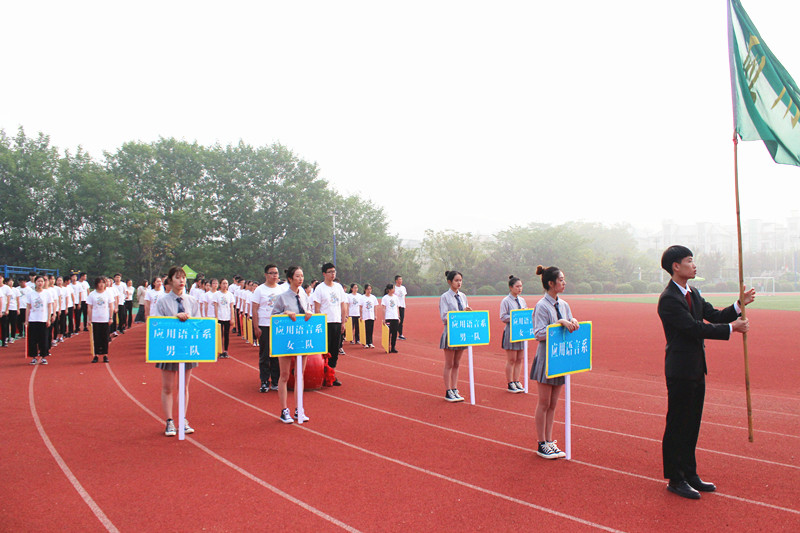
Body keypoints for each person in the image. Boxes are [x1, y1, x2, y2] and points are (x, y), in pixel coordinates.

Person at [657, 245, 754, 499]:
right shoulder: (669, 299)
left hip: (697, 368)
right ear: (676, 266)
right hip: (680, 370)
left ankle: (690, 473)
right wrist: (732, 329)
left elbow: (714, 315)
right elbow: (693, 328)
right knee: (678, 423)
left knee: (692, 424)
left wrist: (738, 305)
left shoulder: (694, 293)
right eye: (689, 261)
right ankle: (675, 478)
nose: (694, 265)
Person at [531, 265, 577, 459]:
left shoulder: (564, 305)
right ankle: (541, 442)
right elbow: (538, 333)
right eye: (561, 280)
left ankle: (549, 440)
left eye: (564, 279)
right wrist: (559, 323)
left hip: (560, 359)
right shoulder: (541, 306)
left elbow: (569, 321)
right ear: (551, 283)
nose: (564, 283)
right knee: (544, 402)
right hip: (546, 359)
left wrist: (573, 321)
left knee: (553, 404)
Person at [154, 266, 201, 437]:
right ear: (170, 280)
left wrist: (189, 319)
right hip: (169, 348)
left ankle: (183, 419)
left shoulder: (192, 301)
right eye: (177, 277)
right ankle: (169, 421)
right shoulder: (163, 301)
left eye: (183, 278)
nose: (181, 281)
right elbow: (156, 324)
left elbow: (198, 324)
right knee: (168, 387)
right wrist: (175, 319)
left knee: (184, 386)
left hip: (186, 347)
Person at [271, 266, 313, 424]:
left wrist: (309, 313)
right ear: (290, 278)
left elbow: (308, 311)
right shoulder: (282, 297)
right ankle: (284, 410)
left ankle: (299, 408)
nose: (300, 279)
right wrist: (285, 313)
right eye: (297, 276)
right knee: (284, 375)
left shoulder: (304, 295)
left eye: (302, 276)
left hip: (302, 339)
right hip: (286, 340)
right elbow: (274, 317)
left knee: (299, 375)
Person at [313, 263, 348, 386]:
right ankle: (322, 374)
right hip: (325, 323)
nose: (333, 274)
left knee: (334, 350)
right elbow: (317, 309)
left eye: (334, 271)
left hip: (337, 322)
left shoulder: (338, 287)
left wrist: (343, 322)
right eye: (330, 272)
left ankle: (331, 375)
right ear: (324, 274)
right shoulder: (320, 288)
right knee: (325, 351)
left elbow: (343, 305)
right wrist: (319, 324)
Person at [439, 270, 471, 402]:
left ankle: (454, 388)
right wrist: (460, 314)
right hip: (450, 332)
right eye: (456, 280)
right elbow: (444, 317)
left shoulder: (463, 296)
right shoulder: (445, 297)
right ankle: (448, 390)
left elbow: (466, 311)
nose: (459, 283)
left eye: (460, 280)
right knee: (449, 363)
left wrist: (468, 312)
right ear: (449, 282)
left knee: (457, 363)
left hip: (461, 333)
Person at [253, 265, 285, 393]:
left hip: (278, 326)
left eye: (276, 273)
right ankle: (265, 381)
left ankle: (276, 381)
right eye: (272, 273)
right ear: (266, 274)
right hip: (264, 325)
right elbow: (254, 309)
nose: (274, 275)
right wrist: (256, 327)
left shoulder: (281, 289)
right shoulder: (260, 290)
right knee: (265, 354)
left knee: (277, 355)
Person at [500, 275, 527, 393]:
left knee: (519, 359)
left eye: (521, 286)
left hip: (521, 332)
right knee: (511, 359)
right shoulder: (506, 301)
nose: (519, 288)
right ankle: (510, 382)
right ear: (511, 287)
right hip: (511, 331)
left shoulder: (522, 300)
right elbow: (503, 317)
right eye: (517, 286)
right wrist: (515, 317)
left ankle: (517, 380)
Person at [25, 276, 52, 365]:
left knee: (43, 339)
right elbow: (28, 307)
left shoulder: (47, 293)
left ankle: (43, 356)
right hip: (33, 319)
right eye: (38, 281)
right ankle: (34, 357)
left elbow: (49, 307)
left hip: (43, 319)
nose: (40, 283)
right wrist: (26, 320)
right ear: (35, 282)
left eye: (42, 281)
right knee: (33, 339)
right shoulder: (30, 294)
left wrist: (48, 319)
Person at [87, 276, 114, 363]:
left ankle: (105, 355)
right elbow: (89, 307)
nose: (101, 285)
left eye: (103, 283)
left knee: (105, 338)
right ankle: (96, 355)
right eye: (100, 283)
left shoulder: (108, 294)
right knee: (96, 338)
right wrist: (89, 319)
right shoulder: (92, 294)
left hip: (105, 319)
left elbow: (111, 306)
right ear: (96, 284)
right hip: (95, 319)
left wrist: (110, 317)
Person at [214, 279, 235, 358]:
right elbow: (216, 306)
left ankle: (225, 351)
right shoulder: (217, 294)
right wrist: (216, 317)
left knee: (226, 334)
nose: (225, 285)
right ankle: (220, 350)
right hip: (220, 316)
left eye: (226, 283)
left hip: (227, 317)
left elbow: (231, 307)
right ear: (220, 285)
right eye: (223, 283)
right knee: (220, 335)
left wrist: (232, 318)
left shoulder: (230, 295)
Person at [381, 284, 400, 353]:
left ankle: (393, 347)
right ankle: (387, 347)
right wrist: (384, 319)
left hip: (395, 317)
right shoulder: (385, 298)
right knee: (388, 333)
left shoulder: (396, 297)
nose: (394, 290)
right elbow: (383, 308)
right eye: (393, 288)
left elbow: (397, 307)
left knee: (394, 333)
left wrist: (398, 317)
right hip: (388, 317)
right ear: (389, 290)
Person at [360, 284, 378, 348]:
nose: (369, 290)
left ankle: (370, 342)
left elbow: (375, 307)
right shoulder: (362, 297)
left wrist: (375, 315)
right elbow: (360, 307)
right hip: (365, 316)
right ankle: (366, 342)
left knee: (370, 329)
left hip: (371, 315)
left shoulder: (373, 297)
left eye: (370, 289)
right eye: (368, 289)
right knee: (365, 329)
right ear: (365, 290)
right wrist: (361, 316)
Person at [394, 275, 408, 340]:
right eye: (399, 279)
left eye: (401, 279)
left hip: (402, 306)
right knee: (396, 320)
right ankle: (393, 333)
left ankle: (400, 334)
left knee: (401, 320)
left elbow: (404, 296)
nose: (401, 280)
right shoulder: (394, 288)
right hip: (396, 306)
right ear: (396, 280)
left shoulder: (403, 288)